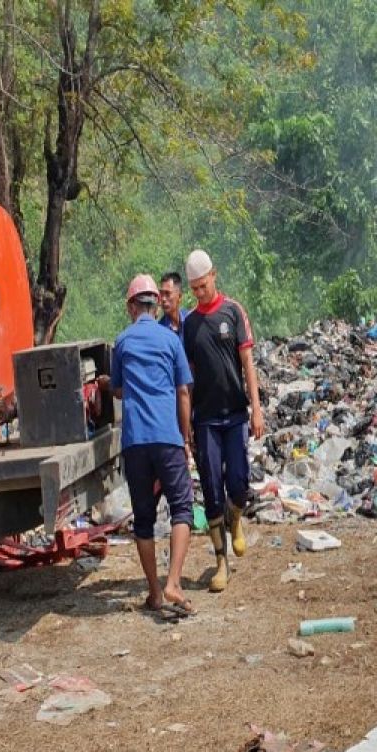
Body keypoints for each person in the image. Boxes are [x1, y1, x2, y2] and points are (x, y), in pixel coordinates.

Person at [106, 274, 196, 620]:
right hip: (167, 437)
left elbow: (118, 389)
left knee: (143, 520)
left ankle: (156, 593)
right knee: (182, 508)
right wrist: (185, 438)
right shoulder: (170, 341)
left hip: (135, 442)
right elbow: (183, 392)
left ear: (132, 307)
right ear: (155, 303)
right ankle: (174, 581)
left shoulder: (123, 342)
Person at [181, 249, 265, 592]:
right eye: (194, 289)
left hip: (235, 413)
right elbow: (185, 378)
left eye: (203, 285)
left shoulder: (234, 311)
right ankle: (220, 562)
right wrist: (184, 424)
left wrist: (256, 409)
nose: (200, 293)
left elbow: (247, 363)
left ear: (214, 275)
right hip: (205, 418)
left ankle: (236, 518)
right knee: (212, 486)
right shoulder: (189, 325)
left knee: (240, 482)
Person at [158, 271, 190, 338]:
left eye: (167, 293)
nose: (163, 299)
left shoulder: (190, 320)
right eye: (161, 293)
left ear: (180, 296)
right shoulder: (160, 330)